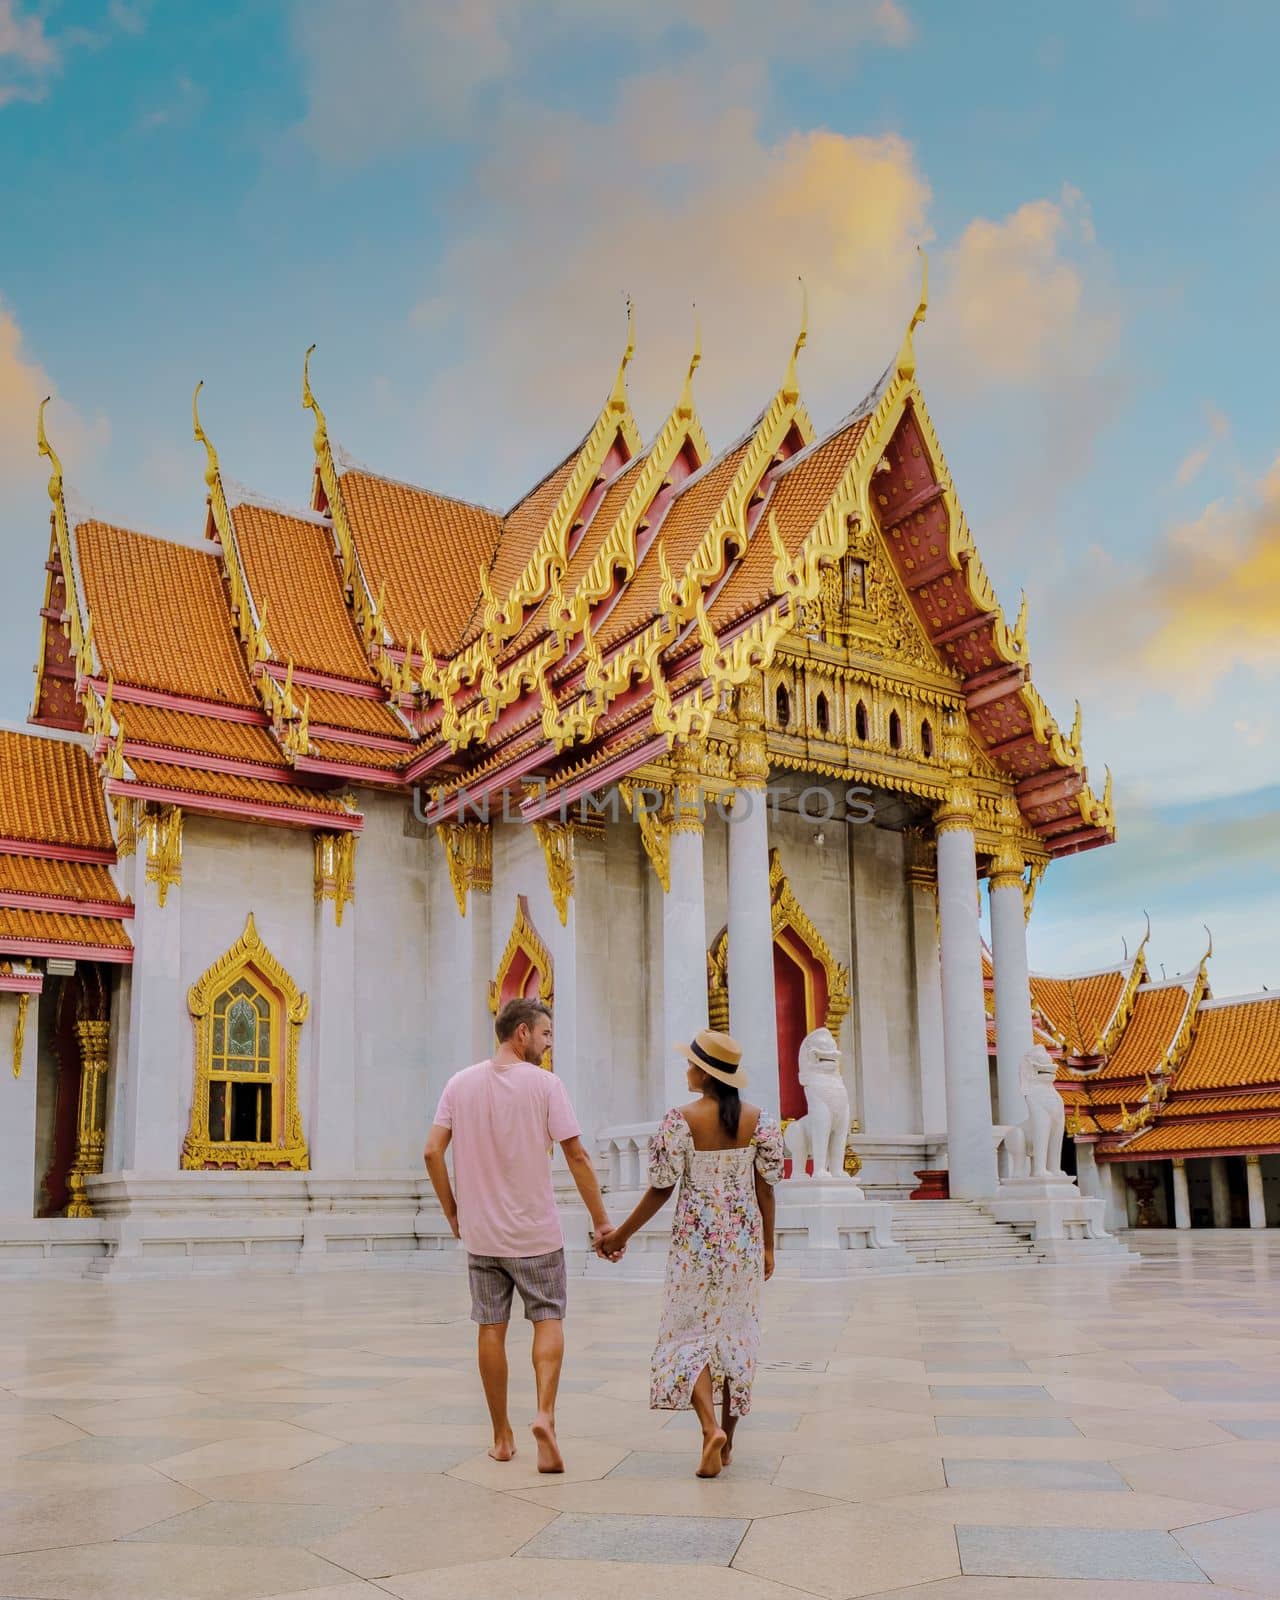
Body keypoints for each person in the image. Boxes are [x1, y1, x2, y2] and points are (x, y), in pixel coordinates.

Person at [423, 998, 615, 1473]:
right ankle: (545, 1415)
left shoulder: (459, 1084)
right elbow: (577, 1157)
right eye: (547, 1035)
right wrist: (602, 1221)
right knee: (547, 1318)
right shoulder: (546, 1086)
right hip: (536, 1234)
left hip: (482, 1235)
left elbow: (431, 1152)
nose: (549, 1046)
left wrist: (453, 1213)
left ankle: (502, 1438)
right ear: (523, 1033)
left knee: (491, 1327)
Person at [598, 1029, 783, 1478]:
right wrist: (768, 1245)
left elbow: (661, 1190)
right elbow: (766, 1190)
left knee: (686, 1336)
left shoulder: (679, 1121)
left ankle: (707, 1428)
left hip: (695, 1248)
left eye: (690, 1064)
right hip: (740, 1246)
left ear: (704, 1072)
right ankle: (728, 1441)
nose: (686, 1070)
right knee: (736, 1336)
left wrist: (619, 1235)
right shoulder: (760, 1121)